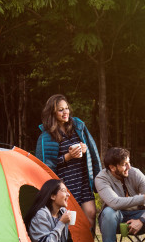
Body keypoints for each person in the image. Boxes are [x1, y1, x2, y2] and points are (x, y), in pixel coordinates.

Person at [36, 94, 102, 233]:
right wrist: (67, 157)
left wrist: (84, 150)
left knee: (90, 214)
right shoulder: (46, 136)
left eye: (66, 108)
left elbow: (92, 150)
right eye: (60, 110)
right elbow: (45, 166)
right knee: (71, 221)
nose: (65, 112)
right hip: (65, 184)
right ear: (52, 112)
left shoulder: (78, 126)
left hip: (83, 179)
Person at [94, 147, 145, 242]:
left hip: (137, 216)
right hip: (114, 219)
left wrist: (142, 220)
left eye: (129, 162)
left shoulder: (135, 173)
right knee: (108, 212)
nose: (129, 167)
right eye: (124, 164)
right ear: (112, 167)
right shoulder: (101, 178)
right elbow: (114, 202)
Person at [23, 179, 89, 242]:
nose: (68, 195)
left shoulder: (62, 212)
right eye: (63, 190)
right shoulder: (41, 214)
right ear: (53, 196)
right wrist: (61, 223)